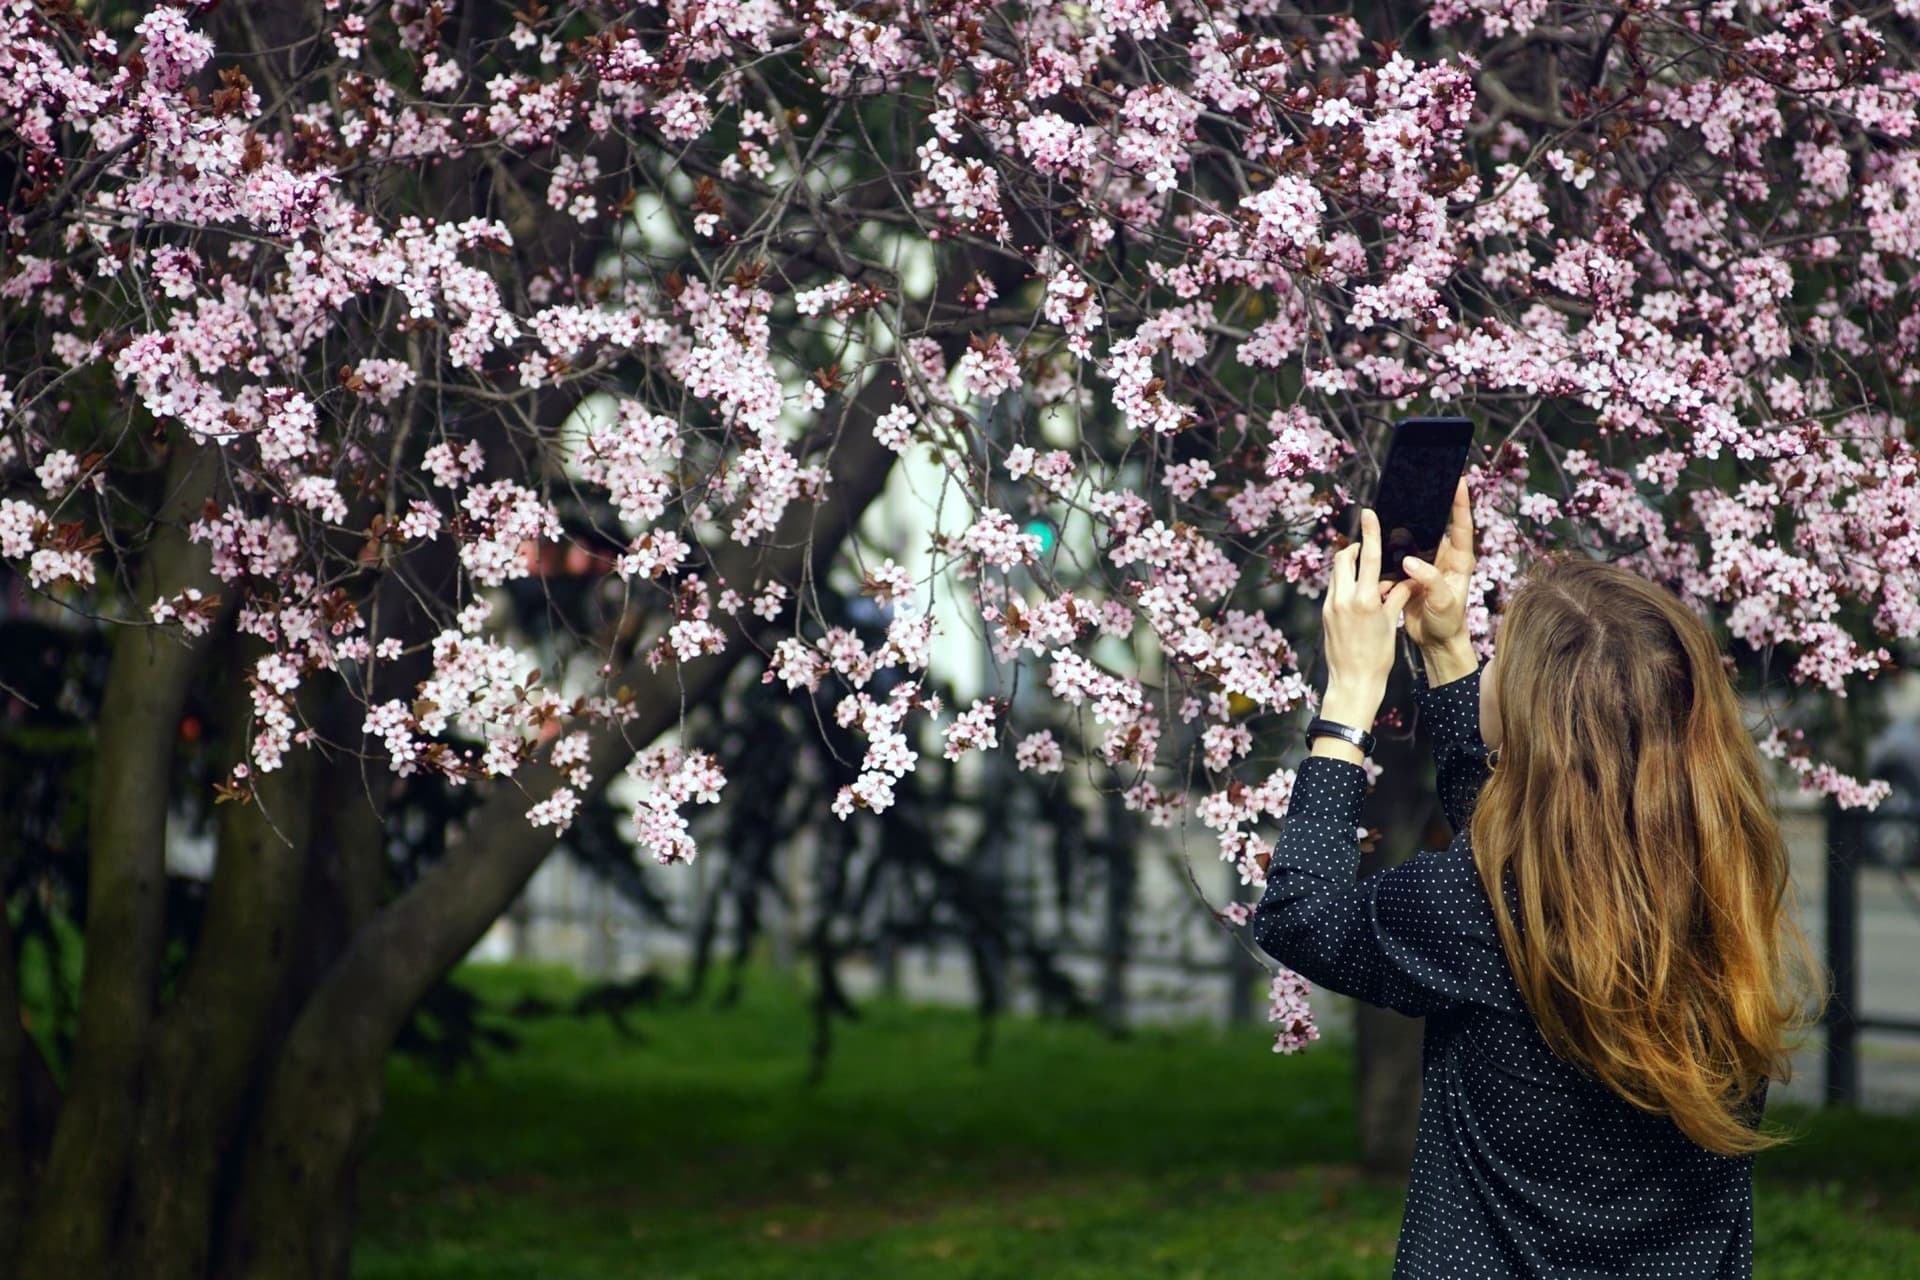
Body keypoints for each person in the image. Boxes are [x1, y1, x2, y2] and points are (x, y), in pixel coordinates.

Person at [1252, 477, 1819, 1279]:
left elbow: (1300, 915)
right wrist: (1446, 650)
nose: (1490, 669)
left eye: (1500, 657)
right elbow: (1528, 839)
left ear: (1537, 728)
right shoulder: (1717, 879)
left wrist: (1347, 703)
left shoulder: (1475, 908)